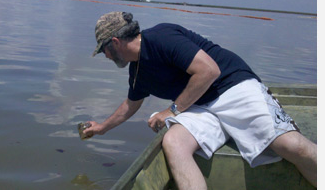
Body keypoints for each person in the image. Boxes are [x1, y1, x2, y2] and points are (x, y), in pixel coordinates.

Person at [84, 11, 317, 189]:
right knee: (174, 143)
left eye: (103, 49)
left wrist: (172, 110)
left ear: (114, 42)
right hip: (198, 105)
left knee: (291, 145)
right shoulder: (137, 72)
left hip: (231, 87)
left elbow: (208, 71)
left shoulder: (161, 37)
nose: (104, 56)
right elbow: (130, 105)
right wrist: (101, 128)